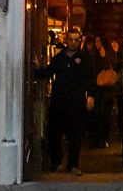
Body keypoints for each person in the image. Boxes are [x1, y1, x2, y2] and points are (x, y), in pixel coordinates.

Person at [35, 27, 95, 176]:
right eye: (71, 39)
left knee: (74, 134)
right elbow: (47, 73)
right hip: (59, 100)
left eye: (76, 40)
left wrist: (91, 96)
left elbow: (90, 79)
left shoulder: (85, 59)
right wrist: (36, 67)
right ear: (66, 40)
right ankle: (57, 162)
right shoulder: (59, 58)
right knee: (54, 132)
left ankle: (73, 164)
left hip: (76, 101)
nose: (73, 43)